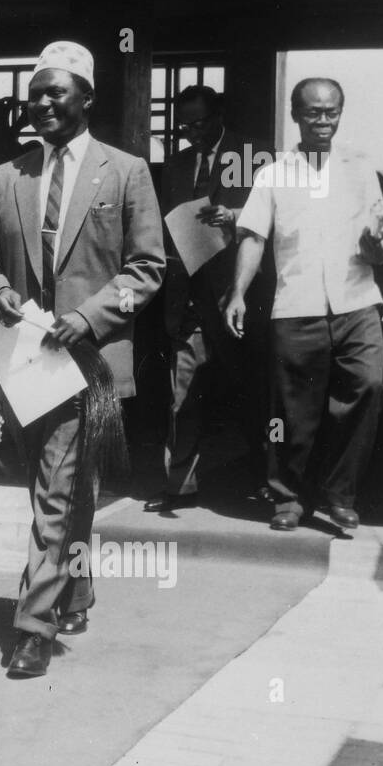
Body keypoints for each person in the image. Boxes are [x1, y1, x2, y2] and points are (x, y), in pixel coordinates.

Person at [0, 40, 164, 679]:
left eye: (57, 92)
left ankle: (33, 626)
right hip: (24, 361)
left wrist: (88, 317)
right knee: (59, 483)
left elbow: (147, 269)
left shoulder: (125, 170)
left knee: (56, 486)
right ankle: (74, 588)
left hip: (90, 359)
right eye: (36, 94)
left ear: (87, 97)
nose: (44, 104)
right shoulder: (8, 177)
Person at [226, 78, 383, 533]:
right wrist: (237, 292)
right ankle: (288, 497)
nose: (323, 121)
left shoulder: (360, 169)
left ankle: (340, 494)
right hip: (296, 306)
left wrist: (378, 246)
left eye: (331, 112)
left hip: (357, 302)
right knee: (289, 411)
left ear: (341, 113)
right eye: (313, 112)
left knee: (369, 388)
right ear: (295, 115)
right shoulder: (273, 174)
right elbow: (253, 238)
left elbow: (378, 249)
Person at [147, 85, 263, 512]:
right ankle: (179, 486)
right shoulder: (175, 165)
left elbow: (275, 216)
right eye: (185, 125)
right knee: (183, 394)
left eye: (200, 123)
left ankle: (266, 481)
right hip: (188, 295)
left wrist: (233, 217)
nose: (193, 132)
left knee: (254, 392)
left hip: (239, 295)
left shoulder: (254, 154)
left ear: (219, 115)